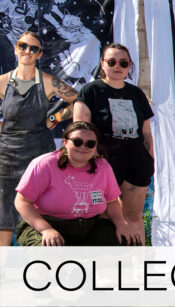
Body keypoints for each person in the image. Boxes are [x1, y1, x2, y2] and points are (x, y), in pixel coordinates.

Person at [0, 31, 79, 245]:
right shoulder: (2, 82)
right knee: (4, 215)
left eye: (34, 48)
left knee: (42, 209)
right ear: (16, 48)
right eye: (23, 46)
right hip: (7, 156)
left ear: (40, 54)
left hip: (39, 156)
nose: (27, 51)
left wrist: (55, 117)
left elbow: (79, 100)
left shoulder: (48, 82)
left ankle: (41, 266)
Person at [13, 121, 142, 246]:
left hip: (89, 227)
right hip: (46, 223)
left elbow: (112, 202)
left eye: (90, 144)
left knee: (127, 239)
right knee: (48, 254)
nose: (83, 147)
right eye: (77, 142)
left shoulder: (103, 167)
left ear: (96, 146)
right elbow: (22, 202)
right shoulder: (45, 164)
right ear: (65, 142)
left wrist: (121, 224)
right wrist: (46, 229)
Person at [72, 43, 153, 240]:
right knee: (100, 218)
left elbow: (146, 132)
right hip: (102, 164)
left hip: (135, 163)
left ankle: (136, 268)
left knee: (133, 219)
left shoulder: (136, 94)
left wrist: (149, 158)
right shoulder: (90, 91)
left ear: (129, 66)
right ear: (103, 64)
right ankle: (103, 268)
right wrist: (89, 163)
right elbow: (80, 131)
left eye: (123, 63)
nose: (117, 66)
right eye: (112, 61)